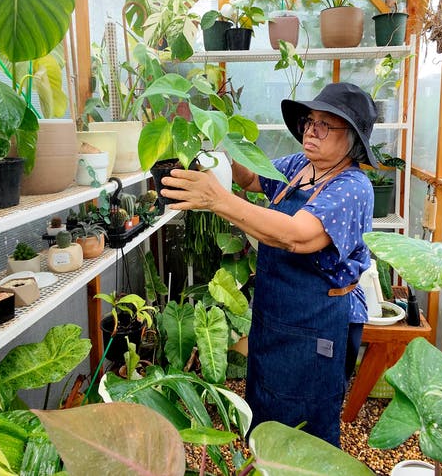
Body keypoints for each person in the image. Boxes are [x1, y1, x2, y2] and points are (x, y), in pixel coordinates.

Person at [161, 82, 376, 446]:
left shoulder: (352, 187)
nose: (311, 129)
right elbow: (249, 176)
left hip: (316, 322)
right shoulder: (298, 167)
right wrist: (213, 138)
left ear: (352, 139)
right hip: (274, 316)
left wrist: (218, 200)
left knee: (304, 426)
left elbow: (296, 235)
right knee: (265, 408)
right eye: (310, 120)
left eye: (326, 124)